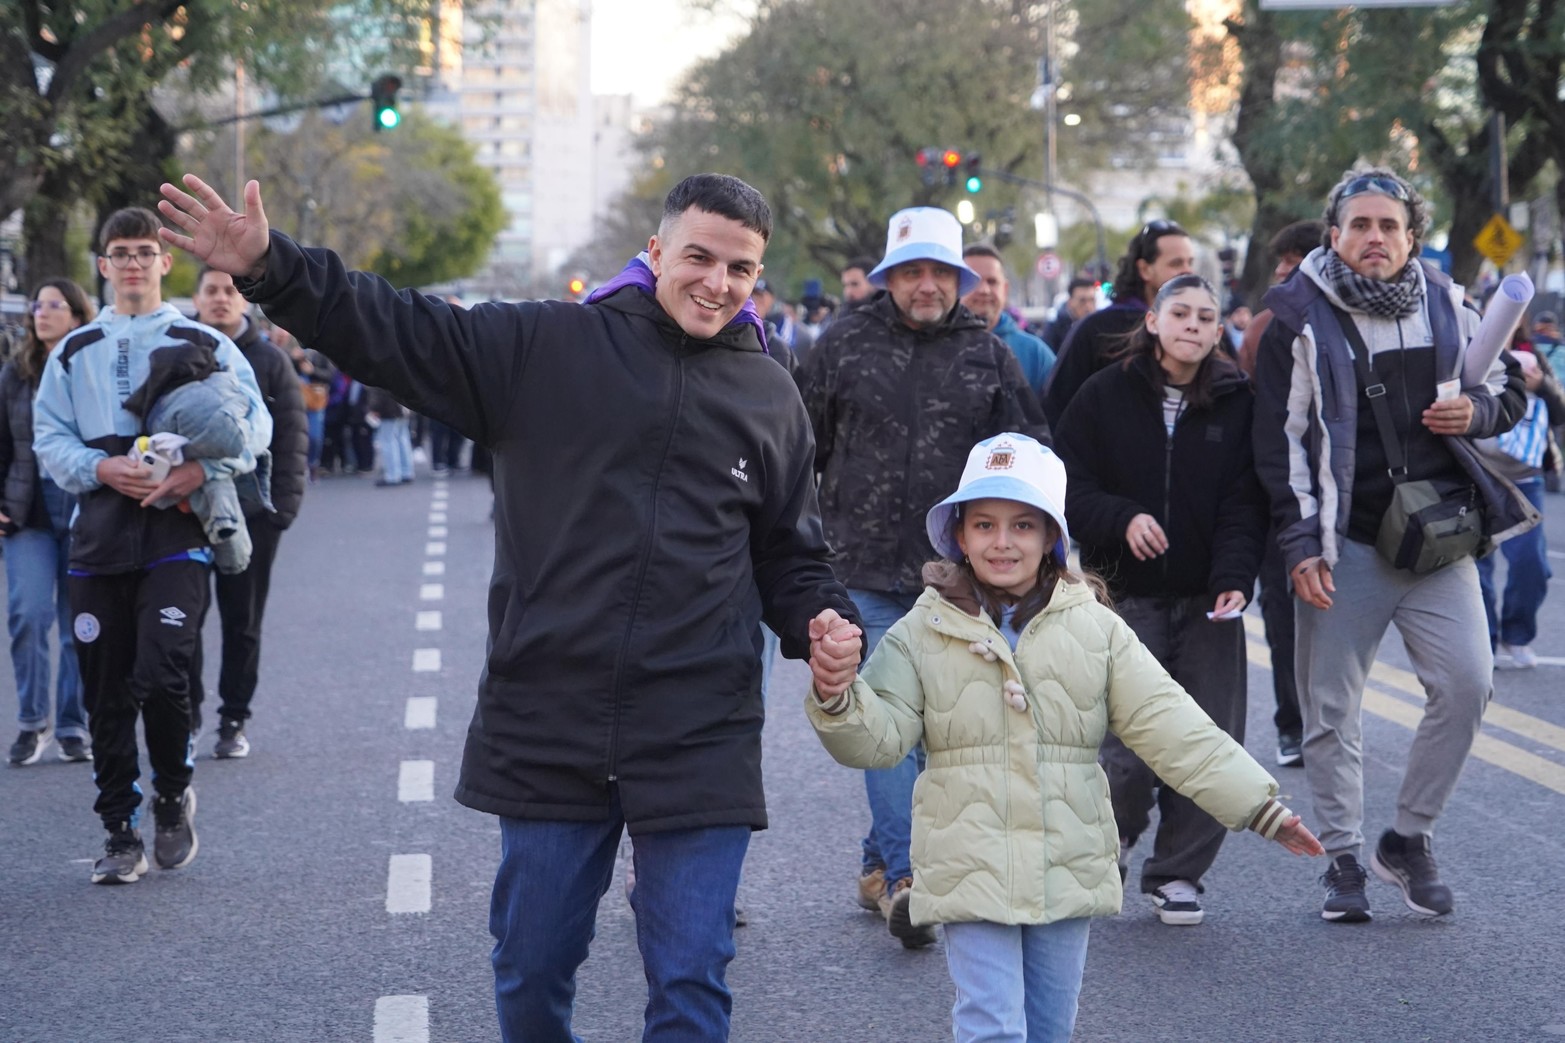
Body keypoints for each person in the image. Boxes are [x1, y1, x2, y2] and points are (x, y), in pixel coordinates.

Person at [158, 170, 862, 1040]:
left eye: (741, 269)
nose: (717, 283)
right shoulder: (544, 346)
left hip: (698, 725)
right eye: (699, 257)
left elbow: (792, 554)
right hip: (549, 716)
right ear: (654, 252)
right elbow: (395, 327)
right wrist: (271, 266)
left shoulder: (770, 397)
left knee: (691, 976)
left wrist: (821, 622)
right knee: (531, 970)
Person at [805, 432, 1322, 1042]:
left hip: (1066, 860)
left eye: (1023, 525)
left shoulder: (1096, 629)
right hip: (970, 860)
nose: (1003, 542)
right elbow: (880, 739)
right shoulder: (925, 630)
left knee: (1050, 1030)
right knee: (991, 1026)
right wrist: (837, 694)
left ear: (1052, 536)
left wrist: (1259, 808)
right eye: (985, 524)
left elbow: (1172, 727)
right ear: (960, 535)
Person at [1252, 167, 1533, 923]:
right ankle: (1342, 858)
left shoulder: (1448, 301)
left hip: (1439, 540)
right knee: (1329, 710)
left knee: (1468, 683)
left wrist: (1470, 412)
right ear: (1333, 233)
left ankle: (1407, 838)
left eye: (1387, 226)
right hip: (1342, 544)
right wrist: (1302, 542)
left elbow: (1507, 391)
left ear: (1410, 237)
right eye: (1358, 225)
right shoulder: (1295, 317)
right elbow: (1278, 442)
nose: (1373, 238)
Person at [799, 206, 1047, 948]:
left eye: (941, 272)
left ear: (958, 280)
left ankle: (880, 865)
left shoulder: (988, 354)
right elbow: (798, 451)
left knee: (941, 735)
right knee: (886, 727)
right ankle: (912, 877)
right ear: (889, 278)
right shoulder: (839, 345)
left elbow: (1030, 458)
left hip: (958, 581)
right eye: (912, 271)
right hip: (861, 570)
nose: (927, 285)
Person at [32, 207, 270, 884]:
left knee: (165, 675)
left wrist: (200, 470)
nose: (133, 263)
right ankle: (119, 831)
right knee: (105, 691)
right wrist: (99, 468)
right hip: (100, 538)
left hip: (177, 531)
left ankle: (170, 796)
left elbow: (255, 429)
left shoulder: (203, 339)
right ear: (102, 267)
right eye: (120, 253)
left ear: (166, 263)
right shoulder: (73, 349)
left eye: (144, 251)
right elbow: (49, 435)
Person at [1053, 274, 1268, 926]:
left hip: (1207, 599)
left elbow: (1245, 501)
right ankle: (1112, 833)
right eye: (1180, 312)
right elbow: (1066, 486)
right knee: (1121, 745)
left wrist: (1235, 574)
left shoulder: (1236, 399)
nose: (1194, 325)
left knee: (1205, 740)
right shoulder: (1103, 393)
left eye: (1206, 316)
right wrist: (1120, 517)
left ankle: (1177, 873)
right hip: (1123, 597)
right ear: (1153, 321)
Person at [189, 267, 308, 756]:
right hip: (186, 511)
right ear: (196, 299)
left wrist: (281, 509)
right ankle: (187, 715)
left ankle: (233, 720)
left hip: (254, 513)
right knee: (184, 619)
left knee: (243, 621)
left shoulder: (270, 360)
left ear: (245, 302)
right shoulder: (177, 353)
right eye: (211, 290)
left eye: (230, 291)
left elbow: (293, 436)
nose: (221, 299)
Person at [1236, 219, 1325, 767]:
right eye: (1278, 265)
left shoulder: (1348, 322)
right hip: (1278, 491)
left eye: (1290, 265)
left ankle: (1322, 718)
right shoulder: (1266, 327)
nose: (1280, 275)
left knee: (1330, 612)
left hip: (1341, 494)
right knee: (1283, 608)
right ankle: (1295, 723)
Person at [1, 279, 94, 766]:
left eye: (55, 305)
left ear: (78, 316)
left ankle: (73, 724)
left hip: (83, 509)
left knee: (78, 624)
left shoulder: (93, 370)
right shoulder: (14, 373)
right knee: (28, 614)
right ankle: (32, 722)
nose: (42, 312)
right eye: (38, 305)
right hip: (26, 513)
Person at [1042, 221, 1196, 427]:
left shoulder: (1204, 328)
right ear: (1144, 269)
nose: (1187, 272)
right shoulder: (1098, 330)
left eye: (1190, 263)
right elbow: (1059, 407)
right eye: (1176, 264)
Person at [1473, 341, 1564, 666]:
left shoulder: (1535, 355)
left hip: (1527, 479)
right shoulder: (1473, 342)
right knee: (1476, 569)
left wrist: (1542, 385)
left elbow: (1560, 410)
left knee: (1532, 566)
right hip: (1479, 475)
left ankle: (1517, 635)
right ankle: (1486, 641)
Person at [961, 244, 1057, 399]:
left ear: (1005, 289)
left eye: (992, 281)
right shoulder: (935, 350)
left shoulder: (1035, 354)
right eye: (974, 281)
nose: (984, 290)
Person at [365, 385, 415, 486]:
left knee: (388, 442)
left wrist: (374, 407)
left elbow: (377, 386)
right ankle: (406, 472)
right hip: (402, 406)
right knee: (403, 440)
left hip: (388, 407)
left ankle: (393, 475)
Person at [1043, 276, 1100, 355]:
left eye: (1092, 300)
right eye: (1082, 301)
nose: (1088, 306)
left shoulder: (1101, 329)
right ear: (1070, 302)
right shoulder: (1055, 329)